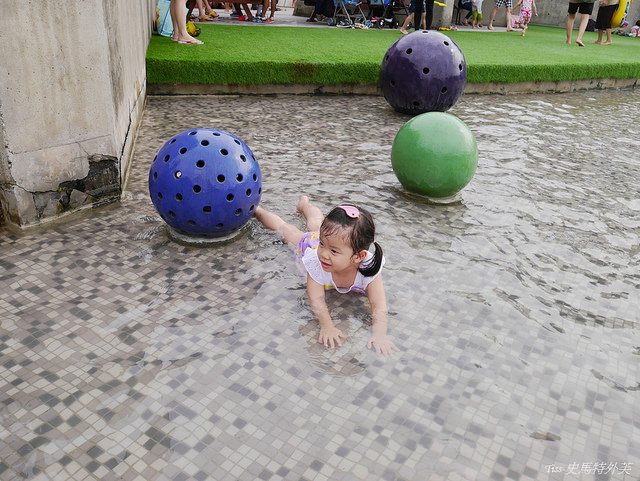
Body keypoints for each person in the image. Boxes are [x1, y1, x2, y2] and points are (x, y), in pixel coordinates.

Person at [254, 196, 399, 357]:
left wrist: (379, 334)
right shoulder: (317, 261)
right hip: (309, 243)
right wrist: (327, 326)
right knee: (287, 229)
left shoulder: (369, 268)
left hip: (330, 238)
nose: (323, 254)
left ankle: (306, 207)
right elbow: (316, 299)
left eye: (334, 251)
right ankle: (259, 210)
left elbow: (378, 304)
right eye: (322, 246)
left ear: (359, 256)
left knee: (317, 225)